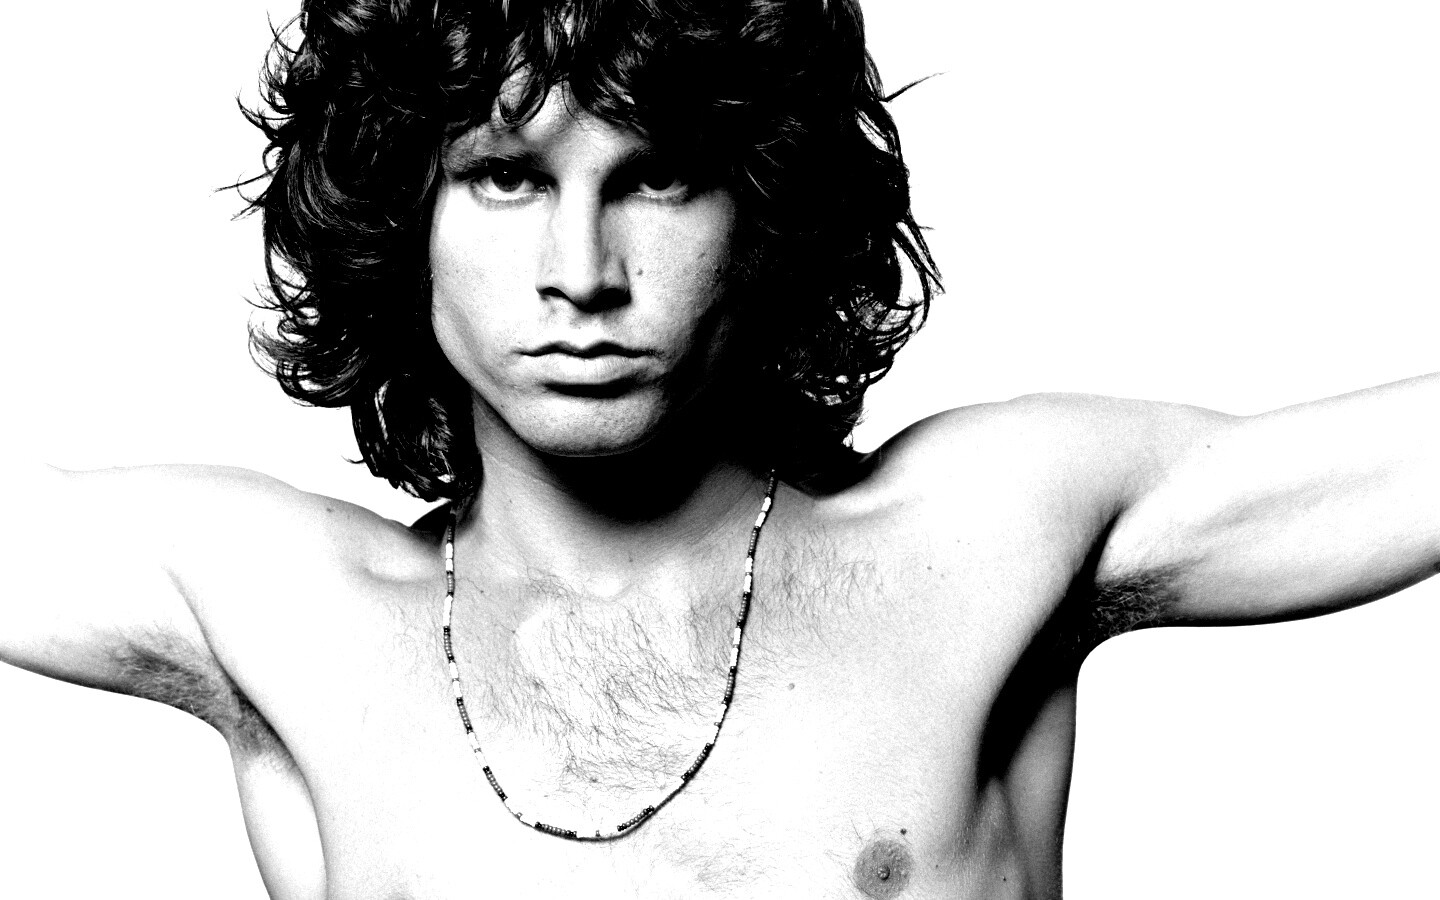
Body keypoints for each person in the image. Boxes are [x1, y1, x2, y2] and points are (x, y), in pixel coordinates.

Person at [2, 1, 1437, 898]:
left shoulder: (984, 536)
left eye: (657, 178)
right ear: (402, 221)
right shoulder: (280, 609)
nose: (582, 273)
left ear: (759, 213)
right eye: (505, 180)